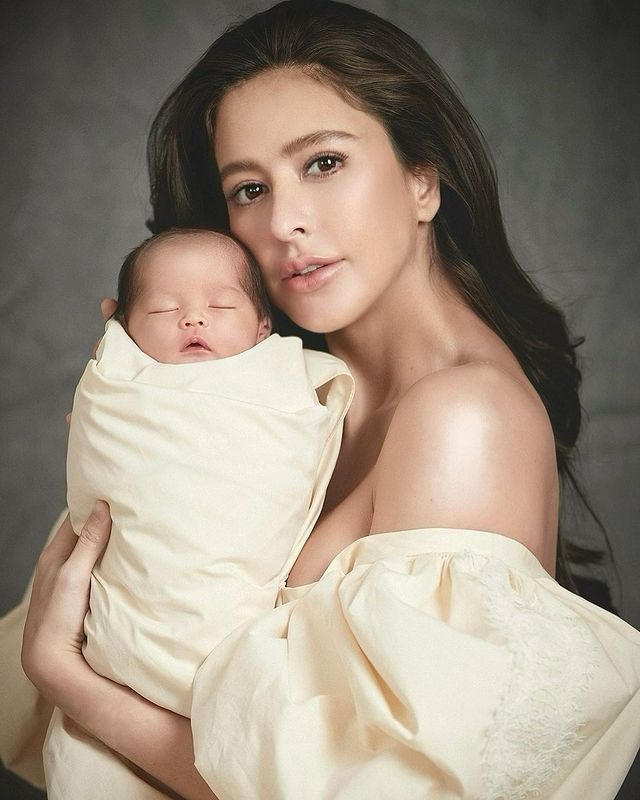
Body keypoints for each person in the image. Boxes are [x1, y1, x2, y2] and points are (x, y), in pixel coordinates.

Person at [11, 1, 640, 798]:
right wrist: (139, 417)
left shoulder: (465, 421)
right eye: (248, 188)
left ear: (422, 178)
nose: (285, 222)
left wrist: (65, 678)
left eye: (324, 163)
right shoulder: (275, 396)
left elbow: (375, 789)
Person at [43, 226, 353, 798]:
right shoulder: (123, 381)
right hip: (115, 631)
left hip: (229, 646)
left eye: (221, 306)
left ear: (263, 328)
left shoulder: (282, 382)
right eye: (164, 309)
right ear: (124, 328)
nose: (193, 319)